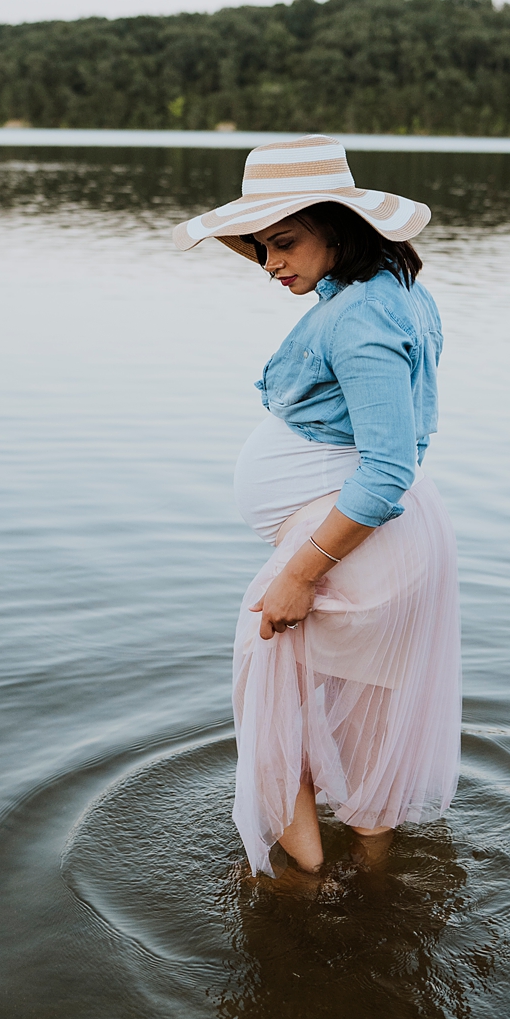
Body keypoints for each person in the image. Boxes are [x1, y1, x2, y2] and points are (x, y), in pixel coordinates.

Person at [173, 135, 461, 881]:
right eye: (262, 247)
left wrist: (301, 573)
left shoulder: (358, 318)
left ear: (338, 227)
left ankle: (297, 885)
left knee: (267, 700)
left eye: (284, 243)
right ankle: (373, 874)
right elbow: (311, 262)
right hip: (387, 545)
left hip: (351, 546)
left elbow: (388, 466)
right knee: (363, 723)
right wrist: (278, 243)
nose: (270, 264)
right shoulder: (383, 290)